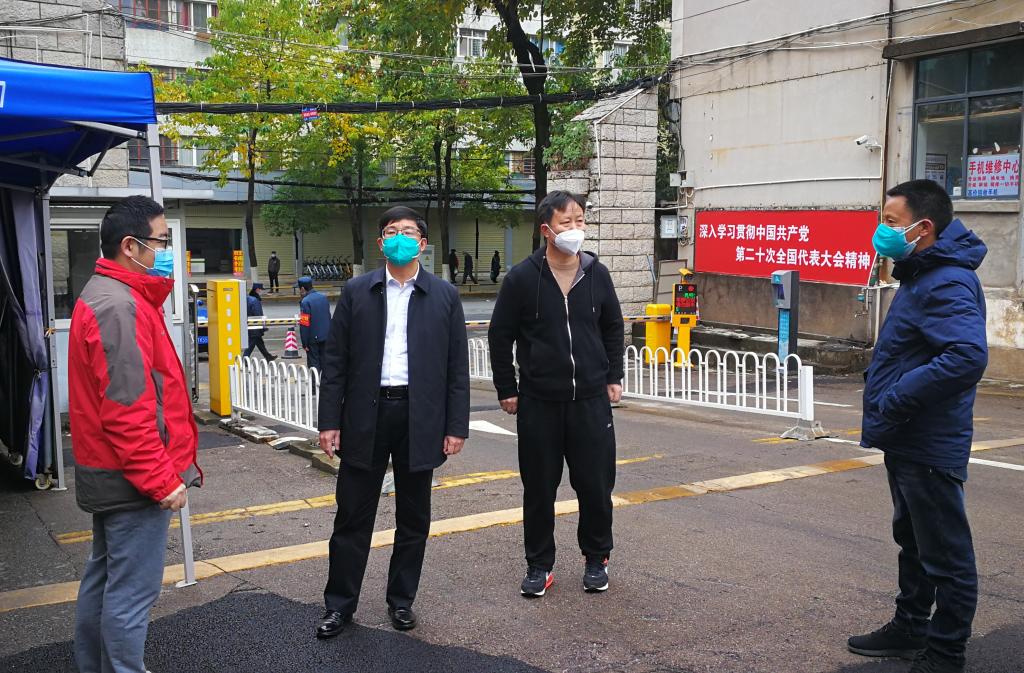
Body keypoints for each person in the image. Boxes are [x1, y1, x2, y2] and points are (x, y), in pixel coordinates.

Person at [848, 179, 988, 673]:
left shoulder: (946, 280)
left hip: (928, 439)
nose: (882, 230)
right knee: (913, 540)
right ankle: (910, 627)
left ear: (922, 227)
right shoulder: (920, 275)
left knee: (945, 553)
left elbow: (967, 356)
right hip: (908, 436)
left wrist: (897, 397)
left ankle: (945, 654)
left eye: (891, 221)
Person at [315, 205, 469, 638]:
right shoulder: (357, 291)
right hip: (366, 414)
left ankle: (401, 600)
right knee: (352, 515)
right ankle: (339, 605)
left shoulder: (443, 295)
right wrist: (329, 421)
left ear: (422, 242)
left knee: (414, 517)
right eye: (391, 231)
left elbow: (457, 368)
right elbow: (335, 362)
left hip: (420, 417)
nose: (399, 237)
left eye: (408, 231)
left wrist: (455, 426)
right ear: (381, 241)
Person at [67, 195, 202, 673]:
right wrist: (161, 480)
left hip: (112, 473)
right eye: (161, 242)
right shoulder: (119, 307)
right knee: (130, 594)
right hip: (132, 479)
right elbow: (128, 409)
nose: (165, 251)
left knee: (105, 582)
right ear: (131, 246)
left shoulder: (111, 296)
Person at [488, 190, 624, 598]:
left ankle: (596, 558)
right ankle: (539, 565)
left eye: (580, 220)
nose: (575, 228)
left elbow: (613, 327)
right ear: (546, 229)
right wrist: (507, 388)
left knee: (596, 486)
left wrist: (613, 375)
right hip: (539, 402)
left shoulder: (596, 273)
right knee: (539, 489)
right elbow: (500, 336)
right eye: (567, 222)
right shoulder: (521, 278)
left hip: (590, 401)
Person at [297, 275, 330, 372]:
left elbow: (304, 324)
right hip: (326, 336)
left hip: (313, 340)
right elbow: (328, 316)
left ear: (302, 289)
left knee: (314, 366)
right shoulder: (323, 297)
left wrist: (304, 343)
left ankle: (315, 382)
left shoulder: (305, 302)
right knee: (325, 364)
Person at [245, 282, 276, 361]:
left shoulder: (248, 298)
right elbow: (258, 314)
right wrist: (263, 325)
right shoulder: (255, 300)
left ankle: (268, 357)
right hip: (255, 326)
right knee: (251, 344)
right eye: (261, 290)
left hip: (250, 324)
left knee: (260, 343)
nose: (262, 291)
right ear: (257, 289)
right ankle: (244, 359)